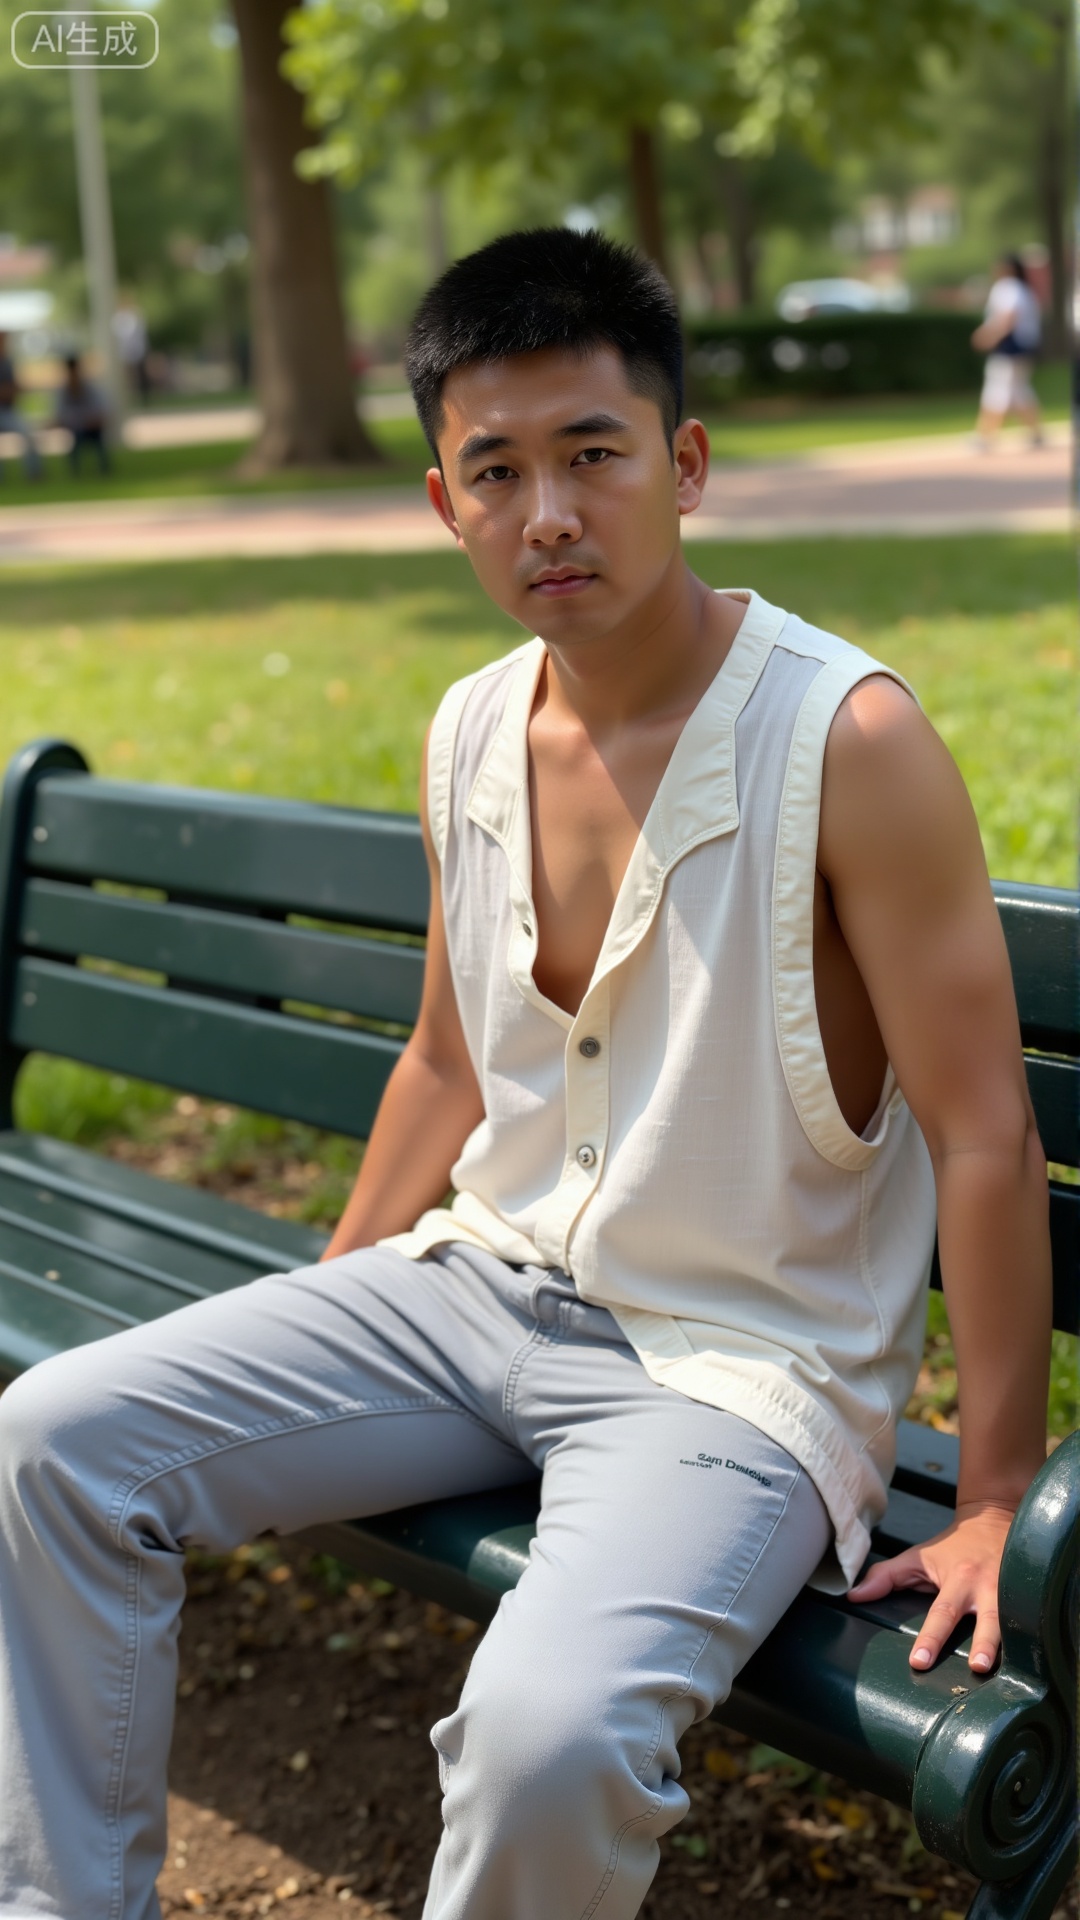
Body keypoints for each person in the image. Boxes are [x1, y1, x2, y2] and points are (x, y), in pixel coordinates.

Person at [0, 228, 1051, 1920]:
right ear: (443, 501)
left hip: (735, 1376)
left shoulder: (845, 742)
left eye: (592, 455)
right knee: (52, 1442)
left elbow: (987, 1138)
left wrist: (996, 1494)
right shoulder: (474, 727)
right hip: (479, 1289)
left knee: (544, 1738)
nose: (548, 511)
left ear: (684, 465)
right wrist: (335, 1296)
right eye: (497, 470)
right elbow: (442, 1055)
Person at [971, 252, 1044, 448]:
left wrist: (989, 336)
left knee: (997, 388)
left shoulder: (1008, 287)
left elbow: (1008, 316)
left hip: (1010, 347)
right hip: (1023, 347)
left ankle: (985, 435)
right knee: (1019, 390)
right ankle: (1036, 432)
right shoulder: (1023, 288)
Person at [52, 351, 111, 476]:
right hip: (77, 428)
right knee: (76, 439)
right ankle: (76, 472)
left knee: (97, 439)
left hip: (92, 428)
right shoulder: (63, 391)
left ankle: (104, 469)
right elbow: (60, 414)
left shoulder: (90, 388)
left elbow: (101, 411)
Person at [0, 329, 43, 481]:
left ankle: (35, 474)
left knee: (29, 434)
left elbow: (14, 389)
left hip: (8, 412)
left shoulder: (8, 363)